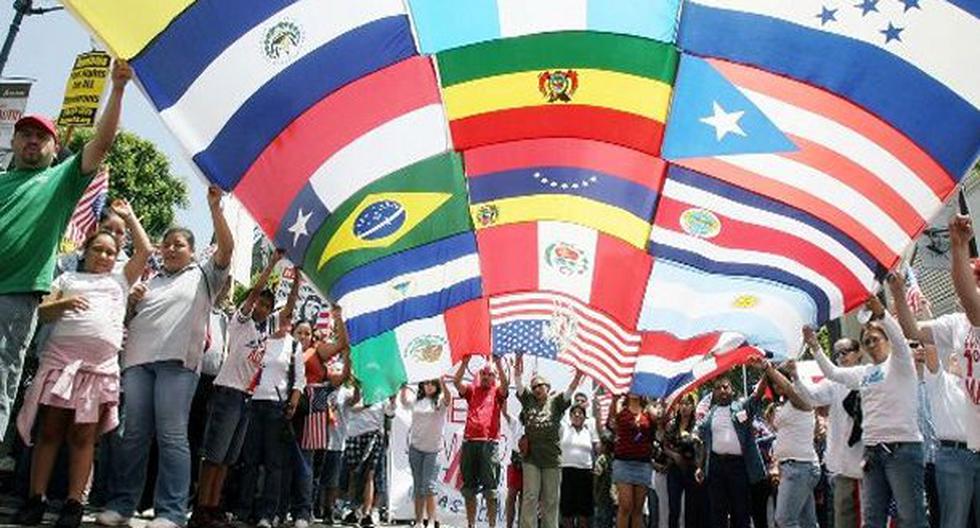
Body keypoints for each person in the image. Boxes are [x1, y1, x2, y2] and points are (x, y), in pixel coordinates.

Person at [0, 60, 132, 437]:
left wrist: (118, 88)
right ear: (12, 141)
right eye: (24, 134)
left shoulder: (60, 180)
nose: (31, 141)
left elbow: (102, 142)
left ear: (54, 148)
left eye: (40, 137)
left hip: (12, 299)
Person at [96, 185, 234, 528]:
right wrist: (132, 301)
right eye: (167, 244)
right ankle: (121, 506)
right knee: (133, 436)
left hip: (177, 367)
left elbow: (227, 248)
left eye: (180, 245)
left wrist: (215, 208)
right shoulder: (150, 281)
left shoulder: (204, 275)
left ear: (192, 251)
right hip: (138, 364)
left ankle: (171, 512)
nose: (172, 249)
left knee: (172, 436)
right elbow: (126, 322)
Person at [12, 199, 149, 528]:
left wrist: (130, 217)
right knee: (50, 433)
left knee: (84, 437)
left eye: (110, 253)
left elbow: (144, 251)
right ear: (86, 250)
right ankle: (36, 499)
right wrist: (64, 303)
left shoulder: (120, 281)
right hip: (60, 366)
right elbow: (42, 312)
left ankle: (74, 503)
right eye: (98, 249)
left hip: (96, 373)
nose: (103, 256)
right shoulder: (67, 279)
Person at [189, 252, 293, 528]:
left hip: (247, 397)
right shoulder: (242, 322)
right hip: (227, 391)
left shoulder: (266, 332)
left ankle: (213, 506)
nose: (262, 306)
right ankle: (200, 507)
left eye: (267, 305)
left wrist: (298, 279)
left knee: (227, 458)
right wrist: (271, 264)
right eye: (260, 301)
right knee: (213, 454)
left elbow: (289, 312)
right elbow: (254, 292)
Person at [891, 214, 980, 526]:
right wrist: (899, 293)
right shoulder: (954, 325)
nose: (972, 288)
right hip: (955, 452)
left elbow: (971, 301)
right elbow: (912, 330)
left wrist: (958, 247)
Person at [809, 295, 925, 528]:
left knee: (910, 518)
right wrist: (814, 346)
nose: (871, 344)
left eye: (875, 339)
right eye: (867, 341)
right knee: (872, 520)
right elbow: (832, 373)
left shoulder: (900, 363)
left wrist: (882, 313)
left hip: (901, 449)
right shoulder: (863, 373)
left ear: (887, 340)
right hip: (872, 454)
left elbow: (901, 341)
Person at [236, 308, 306, 528]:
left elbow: (299, 382)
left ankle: (268, 514)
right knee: (250, 461)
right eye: (281, 316)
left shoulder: (294, 346)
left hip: (277, 408)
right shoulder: (262, 340)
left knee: (274, 464)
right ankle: (243, 512)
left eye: (289, 317)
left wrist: (292, 404)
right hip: (254, 403)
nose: (285, 320)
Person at [794, 335, 866, 528]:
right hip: (842, 466)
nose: (841, 357)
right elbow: (811, 397)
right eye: (837, 354)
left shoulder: (867, 375)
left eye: (845, 352)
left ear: (859, 353)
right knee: (843, 519)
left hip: (868, 464)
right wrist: (795, 377)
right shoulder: (833, 383)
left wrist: (815, 347)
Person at [513, 356, 583, 528]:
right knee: (530, 497)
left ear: (548, 388)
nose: (536, 389)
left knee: (551, 500)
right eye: (534, 386)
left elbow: (571, 390)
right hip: (531, 458)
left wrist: (578, 375)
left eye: (540, 386)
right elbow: (518, 380)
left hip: (552, 459)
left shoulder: (557, 402)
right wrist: (518, 359)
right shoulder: (528, 400)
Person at [695, 365, 768, 528]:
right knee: (717, 512)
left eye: (725, 387)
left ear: (732, 390)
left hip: (738, 466)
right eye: (717, 388)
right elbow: (703, 442)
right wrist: (700, 467)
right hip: (715, 467)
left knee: (741, 511)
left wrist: (766, 370)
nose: (721, 390)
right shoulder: (709, 415)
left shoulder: (741, 408)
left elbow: (757, 395)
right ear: (713, 392)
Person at [763, 360, 821, 528]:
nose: (776, 385)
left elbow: (788, 388)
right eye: (773, 383)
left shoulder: (802, 397)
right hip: (795, 467)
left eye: (779, 380)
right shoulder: (785, 405)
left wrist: (768, 368)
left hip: (800, 467)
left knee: (784, 520)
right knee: (807, 522)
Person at [454, 355, 509, 528]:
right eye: (483, 374)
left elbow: (506, 387)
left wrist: (499, 364)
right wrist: (464, 362)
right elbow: (457, 382)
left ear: (494, 378)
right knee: (469, 488)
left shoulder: (497, 392)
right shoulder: (472, 390)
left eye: (490, 374)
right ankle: (471, 524)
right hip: (470, 443)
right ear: (479, 375)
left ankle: (492, 526)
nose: (486, 377)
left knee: (490, 490)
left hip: (489, 443)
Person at [338, 379, 389, 527]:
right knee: (354, 473)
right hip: (354, 434)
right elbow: (350, 406)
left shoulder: (381, 394)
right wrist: (358, 391)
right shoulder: (350, 391)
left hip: (373, 434)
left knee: (370, 474)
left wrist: (392, 399)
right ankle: (353, 509)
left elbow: (390, 412)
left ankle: (367, 513)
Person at [400, 378, 451, 528]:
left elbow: (448, 399)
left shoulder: (439, 402)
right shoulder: (417, 401)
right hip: (416, 448)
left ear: (436, 386)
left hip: (433, 451)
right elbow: (403, 402)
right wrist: (403, 386)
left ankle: (431, 520)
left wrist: (443, 382)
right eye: (426, 383)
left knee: (429, 486)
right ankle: (418, 521)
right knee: (418, 486)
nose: (429, 386)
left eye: (432, 383)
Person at [610, 393, 656, 528]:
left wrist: (649, 404)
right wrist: (615, 399)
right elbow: (612, 420)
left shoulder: (648, 413)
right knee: (625, 506)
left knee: (638, 509)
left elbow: (658, 420)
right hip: (623, 463)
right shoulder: (621, 410)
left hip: (643, 463)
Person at [662, 394, 704, 528]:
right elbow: (665, 446)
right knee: (674, 509)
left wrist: (699, 467)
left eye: (688, 404)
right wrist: (674, 455)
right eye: (682, 404)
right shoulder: (671, 425)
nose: (685, 407)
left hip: (692, 469)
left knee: (691, 509)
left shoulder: (698, 425)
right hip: (674, 470)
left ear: (693, 407)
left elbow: (702, 448)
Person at [559, 404, 597, 528]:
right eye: (574, 413)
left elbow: (597, 448)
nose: (577, 415)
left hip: (585, 473)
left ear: (585, 417)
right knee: (567, 510)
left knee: (584, 511)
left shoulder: (589, 431)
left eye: (580, 413)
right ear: (570, 416)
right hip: (567, 472)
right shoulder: (564, 429)